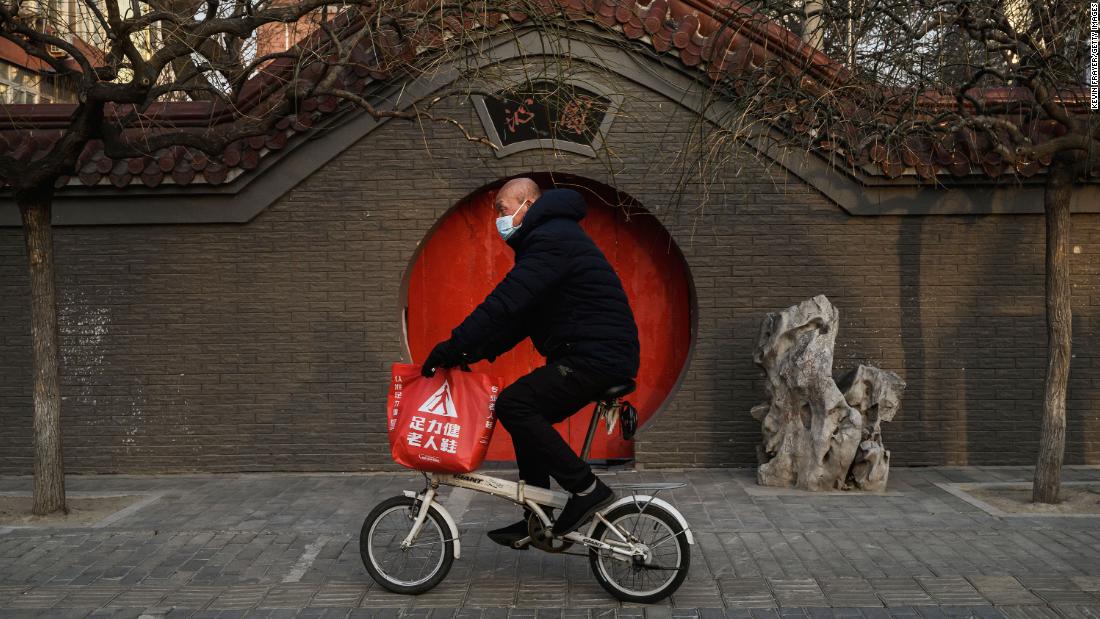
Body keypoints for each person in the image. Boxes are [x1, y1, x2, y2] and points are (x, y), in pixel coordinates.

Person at [421, 177, 640, 546]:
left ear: (527, 204)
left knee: (516, 404)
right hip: (593, 353)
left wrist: (451, 344)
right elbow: (518, 321)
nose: (499, 221)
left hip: (598, 356)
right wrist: (462, 353)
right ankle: (537, 515)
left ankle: (586, 489)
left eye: (503, 211)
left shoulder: (551, 239)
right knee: (526, 414)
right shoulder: (550, 239)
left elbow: (505, 303)